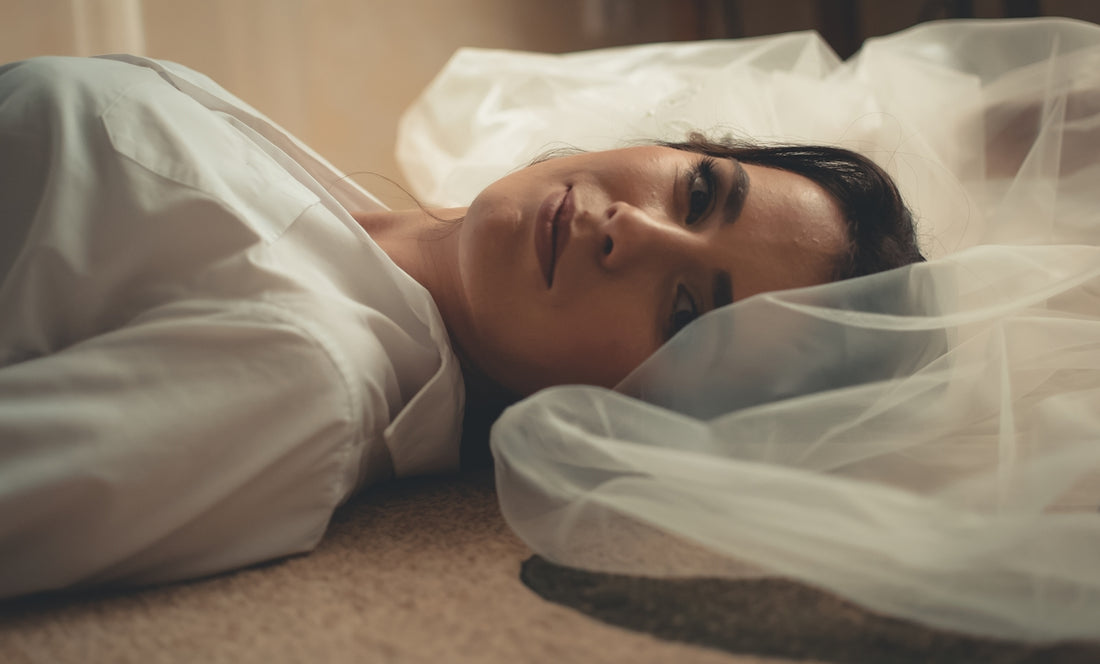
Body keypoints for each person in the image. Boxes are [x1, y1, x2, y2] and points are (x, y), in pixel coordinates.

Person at [0, 53, 922, 600]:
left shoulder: (306, 377)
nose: (631, 230)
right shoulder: (332, 218)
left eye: (684, 313)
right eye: (699, 190)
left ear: (638, 418)